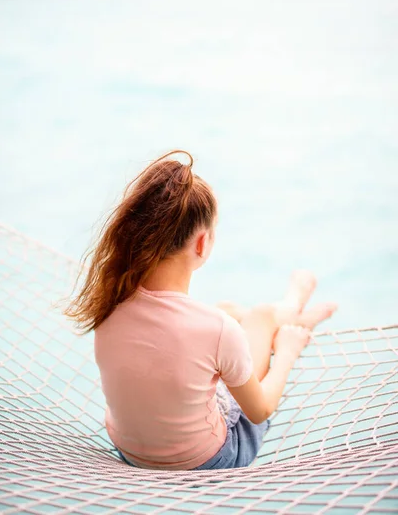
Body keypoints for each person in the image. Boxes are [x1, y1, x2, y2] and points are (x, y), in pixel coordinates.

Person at [63, 149, 337, 471]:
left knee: (226, 312)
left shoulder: (108, 300)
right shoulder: (215, 330)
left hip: (130, 450)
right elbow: (259, 411)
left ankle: (287, 313)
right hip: (209, 460)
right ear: (202, 243)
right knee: (258, 318)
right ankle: (290, 314)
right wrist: (288, 354)